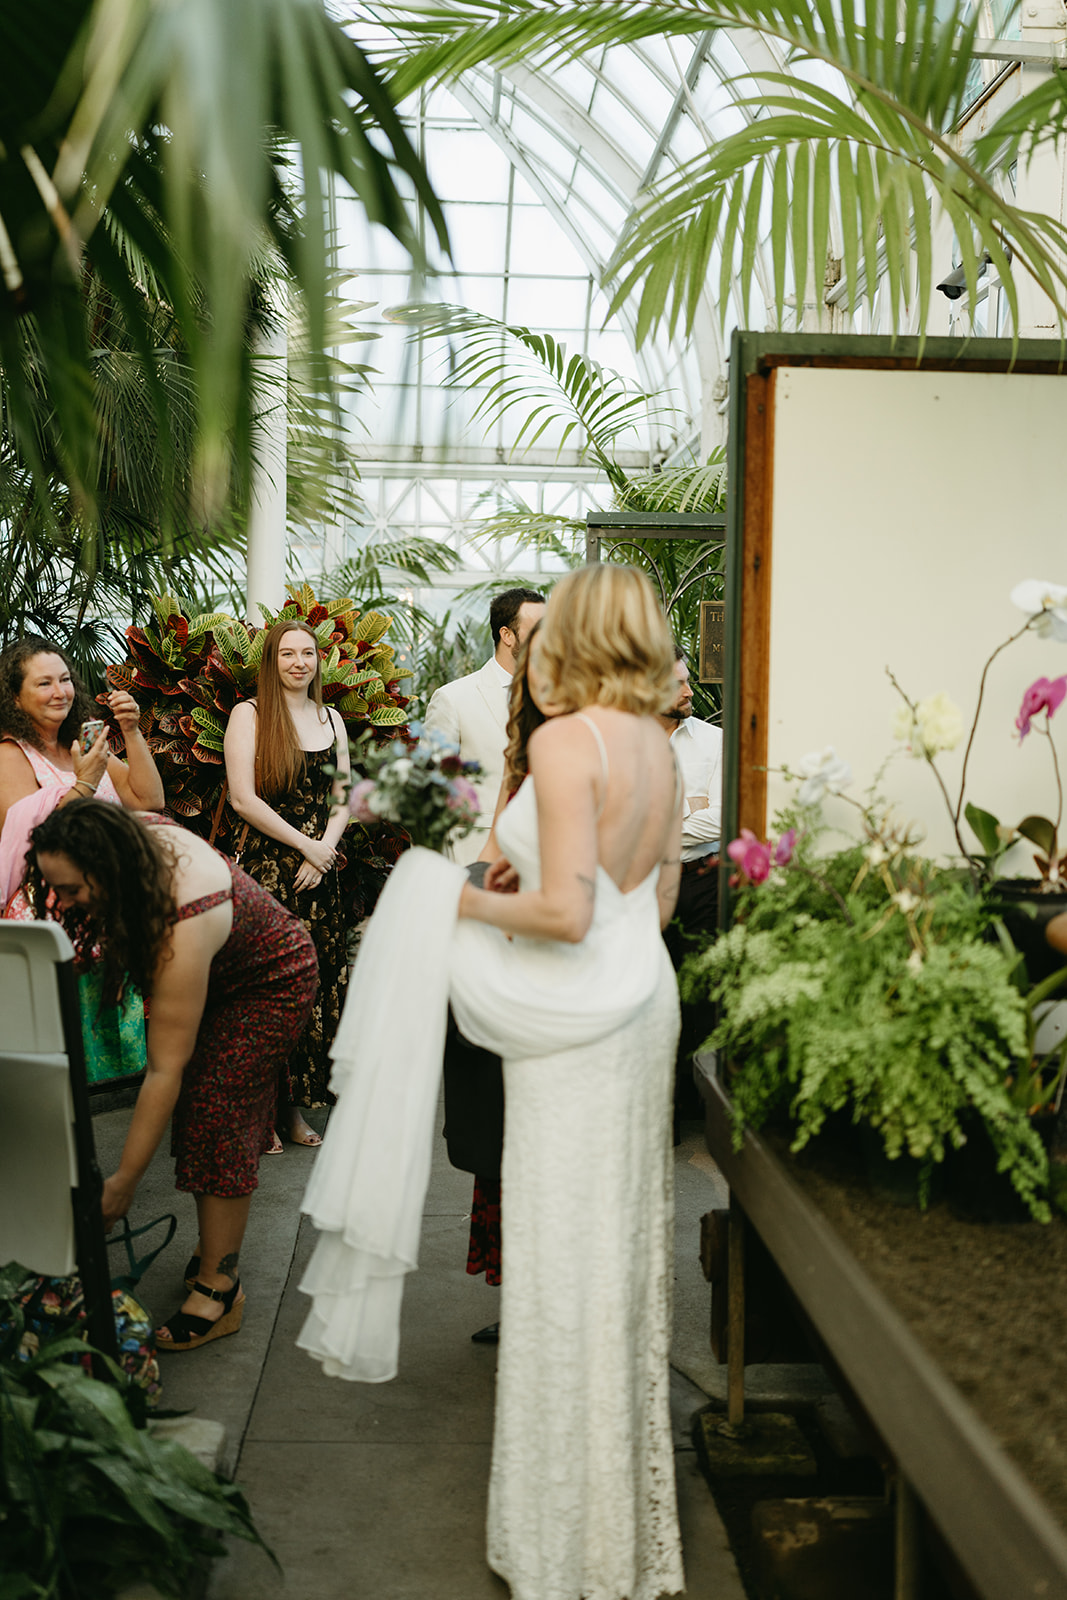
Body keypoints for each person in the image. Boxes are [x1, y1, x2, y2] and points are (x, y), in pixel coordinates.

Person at [300, 564, 685, 1600]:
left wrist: (451, 904)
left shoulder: (565, 740)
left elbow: (562, 914)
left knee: (562, 1261)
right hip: (640, 997)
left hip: (577, 1023)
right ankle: (617, 1526)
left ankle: (564, 1540)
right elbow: (647, 896)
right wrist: (569, 915)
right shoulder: (658, 742)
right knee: (616, 1256)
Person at [28, 799, 317, 1350]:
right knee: (205, 1110)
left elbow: (164, 1069)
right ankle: (214, 1246)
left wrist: (123, 1187)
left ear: (107, 868)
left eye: (70, 891)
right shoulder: (122, 840)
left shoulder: (183, 913)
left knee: (217, 1110)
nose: (62, 903)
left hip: (269, 981)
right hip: (221, 966)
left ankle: (220, 1285)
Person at [223, 620, 351, 1149]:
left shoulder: (332, 718)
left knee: (310, 994)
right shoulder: (248, 715)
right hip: (269, 876)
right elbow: (242, 800)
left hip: (319, 875)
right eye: (287, 654)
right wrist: (307, 845)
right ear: (271, 662)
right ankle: (258, 1113)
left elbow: (343, 797)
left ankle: (293, 1112)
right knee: (263, 997)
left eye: (308, 653)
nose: (299, 662)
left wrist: (324, 853)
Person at [0, 635, 165, 907]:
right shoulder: (10, 755)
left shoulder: (83, 737)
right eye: (45, 683)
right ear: (14, 698)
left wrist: (131, 730)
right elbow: (36, 844)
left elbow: (149, 801)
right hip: (58, 904)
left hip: (114, 893)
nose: (60, 692)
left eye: (65, 680)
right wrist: (86, 783)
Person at [423, 586, 545, 865]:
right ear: (507, 635)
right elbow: (432, 789)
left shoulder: (558, 698)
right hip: (476, 853)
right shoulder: (453, 698)